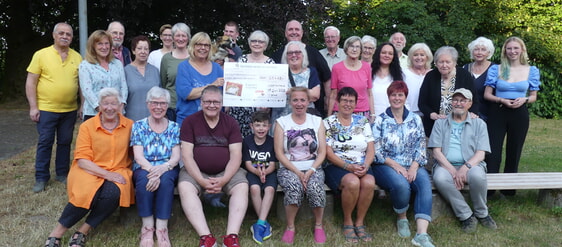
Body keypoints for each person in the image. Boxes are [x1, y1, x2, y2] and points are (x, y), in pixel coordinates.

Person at [42, 88, 134, 247]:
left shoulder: (130, 125)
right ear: (99, 105)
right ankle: (57, 232)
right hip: (89, 168)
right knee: (86, 193)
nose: (110, 108)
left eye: (114, 103)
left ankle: (83, 230)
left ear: (120, 106)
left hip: (118, 169)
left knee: (113, 193)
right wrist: (106, 174)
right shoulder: (87, 126)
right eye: (105, 104)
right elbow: (83, 160)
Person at [177, 85, 248, 247]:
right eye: (208, 101)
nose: (212, 105)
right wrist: (201, 181)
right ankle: (206, 237)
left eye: (216, 102)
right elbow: (187, 155)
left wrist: (224, 180)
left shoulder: (230, 122)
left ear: (222, 103)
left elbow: (236, 155)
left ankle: (231, 237)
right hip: (196, 170)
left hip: (227, 170)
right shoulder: (190, 122)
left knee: (242, 187)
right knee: (185, 187)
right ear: (201, 102)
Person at [372, 81, 434, 247]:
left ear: (405, 97)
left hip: (412, 162)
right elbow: (375, 150)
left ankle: (421, 234)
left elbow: (421, 145)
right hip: (385, 164)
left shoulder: (415, 119)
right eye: (393, 95)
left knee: (424, 184)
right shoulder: (381, 120)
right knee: (401, 185)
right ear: (389, 97)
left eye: (400, 95)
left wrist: (414, 166)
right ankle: (402, 217)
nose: (397, 98)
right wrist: (396, 166)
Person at [429, 88, 498, 233]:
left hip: (471, 164)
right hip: (446, 165)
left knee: (478, 176)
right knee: (440, 178)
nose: (458, 103)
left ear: (470, 104)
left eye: (462, 100)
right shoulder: (440, 123)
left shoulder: (479, 124)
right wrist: (454, 171)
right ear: (451, 103)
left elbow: (481, 154)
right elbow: (436, 152)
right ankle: (466, 215)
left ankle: (482, 213)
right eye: (455, 100)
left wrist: (465, 168)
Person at [25, 22, 82, 193]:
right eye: (61, 33)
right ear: (54, 35)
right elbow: (31, 81)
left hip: (70, 110)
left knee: (65, 142)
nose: (65, 36)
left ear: (72, 38)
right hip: (46, 109)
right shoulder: (41, 55)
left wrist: (83, 105)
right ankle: (41, 178)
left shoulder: (77, 57)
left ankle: (62, 174)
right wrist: (33, 107)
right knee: (45, 142)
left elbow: (81, 85)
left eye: (68, 34)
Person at [483, 36, 540, 197]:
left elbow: (534, 96)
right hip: (498, 110)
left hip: (519, 113)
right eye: (509, 48)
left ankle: (509, 189)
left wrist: (525, 99)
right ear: (505, 51)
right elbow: (487, 94)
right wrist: (501, 99)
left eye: (516, 48)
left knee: (514, 150)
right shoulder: (497, 69)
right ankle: (490, 189)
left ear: (522, 50)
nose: (513, 51)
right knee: (493, 151)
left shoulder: (531, 70)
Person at [274, 87, 327, 244]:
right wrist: (297, 172)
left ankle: (318, 225)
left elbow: (322, 152)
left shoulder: (317, 121)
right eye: (295, 100)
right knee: (294, 187)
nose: (299, 103)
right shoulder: (281, 122)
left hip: (313, 166)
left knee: (315, 188)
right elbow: (279, 153)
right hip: (289, 168)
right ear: (290, 102)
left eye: (302, 100)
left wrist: (310, 170)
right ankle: (290, 227)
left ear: (308, 102)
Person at [324, 87, 375, 243]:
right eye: (344, 100)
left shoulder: (362, 121)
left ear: (355, 103)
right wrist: (348, 167)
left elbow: (371, 149)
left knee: (369, 182)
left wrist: (366, 165)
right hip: (337, 165)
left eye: (351, 101)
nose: (347, 104)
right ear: (338, 102)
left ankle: (359, 222)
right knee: (352, 182)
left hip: (361, 164)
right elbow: (328, 153)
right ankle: (348, 221)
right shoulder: (328, 123)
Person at [130, 87, 180, 247]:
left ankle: (162, 229)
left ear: (167, 105)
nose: (158, 107)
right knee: (144, 180)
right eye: (154, 103)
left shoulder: (174, 127)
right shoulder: (138, 126)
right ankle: (147, 227)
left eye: (162, 103)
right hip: (144, 166)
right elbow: (138, 156)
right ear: (147, 104)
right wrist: (153, 171)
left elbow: (176, 156)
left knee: (166, 181)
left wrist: (163, 168)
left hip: (168, 167)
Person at [272, 20, 331, 117]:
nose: (294, 32)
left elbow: (325, 80)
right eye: (290, 29)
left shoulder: (314, 55)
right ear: (286, 33)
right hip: (281, 116)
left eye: (297, 29)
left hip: (306, 115)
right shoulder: (276, 57)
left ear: (302, 33)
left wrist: (328, 102)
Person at [418, 46, 477, 137]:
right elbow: (422, 103)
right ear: (436, 63)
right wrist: (432, 114)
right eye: (441, 62)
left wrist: (472, 113)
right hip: (435, 126)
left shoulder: (464, 75)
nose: (444, 65)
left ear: (454, 63)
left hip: (459, 126)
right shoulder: (430, 76)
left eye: (448, 62)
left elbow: (475, 100)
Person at [228, 30, 274, 138]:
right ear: (249, 43)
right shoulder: (241, 60)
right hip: (239, 111)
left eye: (260, 42)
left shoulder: (271, 63)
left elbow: (272, 88)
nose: (257, 44)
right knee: (238, 141)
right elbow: (234, 84)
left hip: (259, 112)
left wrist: (268, 104)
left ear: (265, 45)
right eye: (254, 41)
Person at [175, 32, 224, 126]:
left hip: (214, 122)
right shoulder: (184, 67)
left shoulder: (217, 68)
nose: (203, 48)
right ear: (192, 46)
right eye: (199, 44)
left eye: (206, 45)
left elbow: (223, 95)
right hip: (188, 121)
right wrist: (212, 85)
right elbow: (187, 94)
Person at [244, 111, 277, 244]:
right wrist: (258, 173)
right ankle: (263, 222)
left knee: (269, 190)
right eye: (257, 125)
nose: (261, 129)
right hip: (253, 172)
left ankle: (259, 224)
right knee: (255, 189)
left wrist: (265, 173)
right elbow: (247, 164)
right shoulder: (246, 141)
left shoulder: (272, 142)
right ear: (252, 126)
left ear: (269, 126)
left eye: (264, 126)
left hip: (269, 172)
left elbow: (273, 165)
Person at [79, 30, 128, 121]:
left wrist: (121, 105)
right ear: (93, 46)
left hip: (117, 113)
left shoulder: (117, 63)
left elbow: (123, 86)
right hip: (94, 114)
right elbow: (87, 90)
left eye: (107, 43)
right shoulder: (85, 65)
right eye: (100, 44)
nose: (104, 47)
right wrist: (101, 109)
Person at [271, 41, 321, 123]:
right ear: (286, 56)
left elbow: (315, 95)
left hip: (304, 120)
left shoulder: (311, 71)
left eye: (297, 52)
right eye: (290, 53)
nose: (294, 55)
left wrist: (292, 91)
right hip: (281, 120)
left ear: (303, 55)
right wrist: (306, 92)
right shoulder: (278, 71)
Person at [327, 36, 374, 120]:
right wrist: (329, 117)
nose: (354, 49)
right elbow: (333, 94)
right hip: (341, 112)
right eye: (351, 46)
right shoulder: (337, 68)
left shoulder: (366, 67)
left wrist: (373, 114)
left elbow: (369, 93)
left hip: (362, 113)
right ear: (346, 48)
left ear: (361, 50)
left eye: (357, 47)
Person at [160, 22, 191, 122]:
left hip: (190, 106)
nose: (180, 39)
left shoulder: (194, 57)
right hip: (171, 108)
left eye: (183, 35)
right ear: (173, 38)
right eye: (177, 35)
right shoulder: (166, 59)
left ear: (188, 38)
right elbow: (163, 84)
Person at [125, 35, 160, 121]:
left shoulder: (155, 71)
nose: (143, 52)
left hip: (154, 120)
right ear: (133, 51)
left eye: (146, 49)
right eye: (139, 48)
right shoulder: (125, 71)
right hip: (131, 120)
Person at [463, 37, 495, 121]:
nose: (479, 52)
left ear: (489, 52)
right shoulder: (465, 68)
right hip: (468, 114)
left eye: (483, 50)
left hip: (491, 114)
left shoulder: (495, 69)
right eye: (476, 49)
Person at [371, 42, 403, 116]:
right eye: (383, 52)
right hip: (371, 118)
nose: (387, 55)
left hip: (392, 119)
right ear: (378, 54)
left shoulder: (399, 76)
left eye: (390, 53)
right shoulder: (368, 73)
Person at [403, 43, 433, 116]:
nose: (419, 57)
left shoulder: (433, 73)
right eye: (415, 55)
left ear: (427, 57)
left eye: (422, 55)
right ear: (411, 57)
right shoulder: (404, 73)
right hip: (409, 113)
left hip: (429, 114)